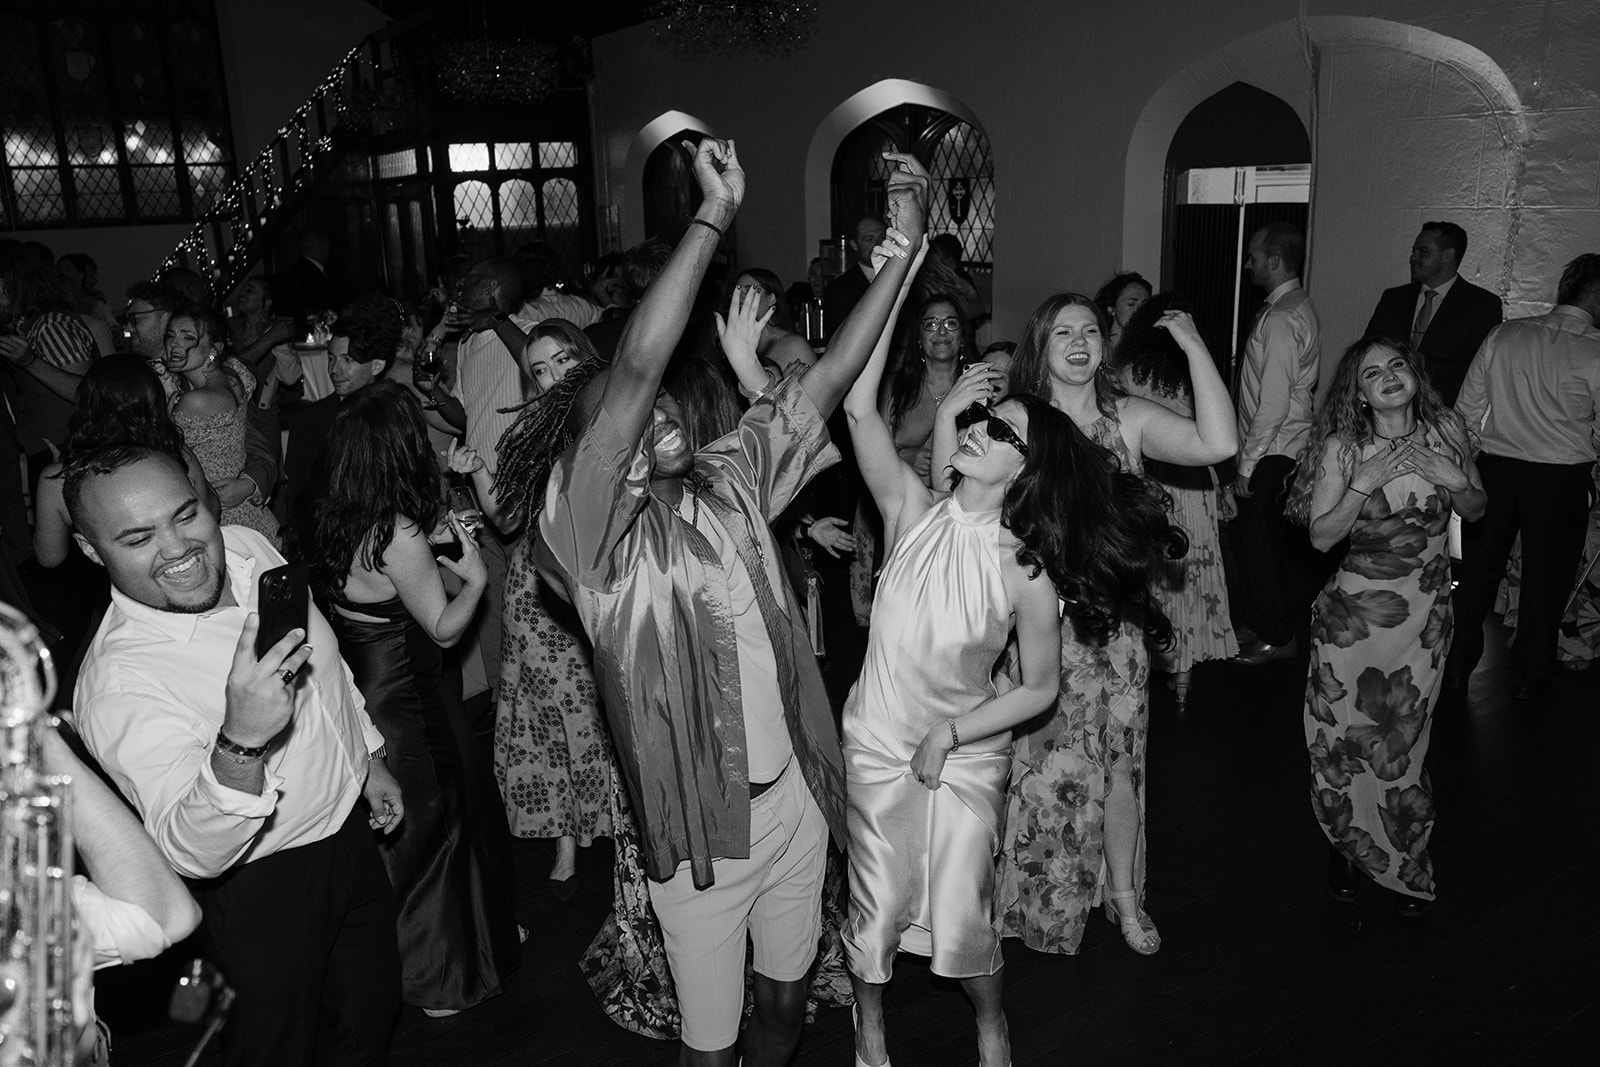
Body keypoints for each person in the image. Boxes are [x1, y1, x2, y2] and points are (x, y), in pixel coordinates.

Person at [535, 139, 927, 1066]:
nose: (658, 414)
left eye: (667, 406)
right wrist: (713, 213)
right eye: (633, 416)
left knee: (786, 1009)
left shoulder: (731, 475)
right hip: (705, 838)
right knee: (710, 1050)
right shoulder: (589, 546)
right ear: (595, 455)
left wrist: (904, 252)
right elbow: (634, 369)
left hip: (795, 800)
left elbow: (826, 378)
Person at [839, 234, 1168, 1067]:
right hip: (877, 739)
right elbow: (857, 408)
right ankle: (869, 1026)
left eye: (1000, 430)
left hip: (963, 750)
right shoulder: (908, 509)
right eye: (985, 420)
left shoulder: (1026, 568)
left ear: (1024, 469)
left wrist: (951, 733)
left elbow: (1040, 688)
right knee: (873, 905)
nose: (978, 428)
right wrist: (897, 278)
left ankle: (991, 1023)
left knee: (961, 914)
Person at [66, 442, 403, 1066]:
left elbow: (323, 668)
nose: (179, 548)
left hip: (351, 838)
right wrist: (241, 741)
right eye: (138, 538)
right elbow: (187, 850)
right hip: (260, 890)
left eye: (185, 515)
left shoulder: (246, 550)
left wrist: (367, 755)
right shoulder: (119, 684)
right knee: (272, 1050)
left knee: (368, 1020)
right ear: (91, 550)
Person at [992, 290, 1236, 958]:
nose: (1079, 342)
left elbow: (1220, 442)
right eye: (1063, 332)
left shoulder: (1125, 418)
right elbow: (966, 505)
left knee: (1120, 768)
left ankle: (1126, 900)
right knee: (1035, 764)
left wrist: (1193, 346)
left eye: (1091, 331)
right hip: (1036, 621)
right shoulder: (1016, 420)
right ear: (1040, 345)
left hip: (1114, 628)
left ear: (1105, 346)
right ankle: (1030, 899)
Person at [285, 380, 520, 1015]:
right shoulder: (395, 531)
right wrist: (475, 579)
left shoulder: (326, 510)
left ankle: (471, 938)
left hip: (362, 687)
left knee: (414, 828)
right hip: (407, 698)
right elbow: (442, 628)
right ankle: (439, 978)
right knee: (435, 829)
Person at [1287, 338, 1484, 917]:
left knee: (1403, 743)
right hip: (1353, 621)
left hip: (1424, 618)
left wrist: (1456, 478)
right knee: (1341, 742)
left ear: (1414, 375)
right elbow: (1321, 537)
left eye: (1397, 365)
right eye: (1372, 373)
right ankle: (1347, 847)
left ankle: (1405, 857)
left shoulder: (1446, 430)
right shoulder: (1344, 448)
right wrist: (1362, 482)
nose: (1389, 376)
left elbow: (1476, 508)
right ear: (1360, 394)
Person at [447, 320, 613, 900]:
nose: (552, 377)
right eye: (539, 370)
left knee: (605, 707)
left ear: (585, 357)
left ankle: (619, 821)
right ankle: (565, 837)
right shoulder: (534, 432)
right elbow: (507, 518)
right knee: (547, 713)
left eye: (562, 361)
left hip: (605, 580)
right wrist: (477, 471)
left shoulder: (619, 416)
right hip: (538, 588)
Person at [1450, 253, 1600, 700]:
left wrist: (1468, 468)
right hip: (1559, 480)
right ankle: (1530, 676)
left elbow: (1465, 412)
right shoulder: (1595, 350)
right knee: (1546, 582)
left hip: (1495, 471)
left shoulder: (1505, 334)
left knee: (1475, 577)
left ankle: (1455, 669)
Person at [1113, 294, 1240, 706]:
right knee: (1192, 578)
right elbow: (1216, 433)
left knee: (1154, 580)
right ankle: (1184, 674)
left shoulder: (1124, 373)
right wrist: (1225, 487)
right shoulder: (1193, 371)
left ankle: (1150, 661)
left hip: (1148, 484)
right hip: (1194, 483)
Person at [1231, 221, 1321, 665]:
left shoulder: (1284, 317)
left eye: (1252, 256)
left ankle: (1278, 636)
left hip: (1273, 449)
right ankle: (1258, 619)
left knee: (1262, 547)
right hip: (1277, 446)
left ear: (1274, 260)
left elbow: (1273, 402)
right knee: (1256, 544)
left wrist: (1247, 464)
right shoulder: (1291, 305)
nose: (1247, 264)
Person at [280, 298, 403, 524]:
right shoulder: (308, 422)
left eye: (347, 360)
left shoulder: (397, 415)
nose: (334, 369)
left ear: (376, 365)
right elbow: (297, 503)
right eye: (331, 358)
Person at [164, 304, 278, 537]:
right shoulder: (235, 374)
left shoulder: (194, 402)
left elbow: (167, 457)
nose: (175, 344)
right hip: (244, 513)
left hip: (218, 516)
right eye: (170, 336)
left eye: (188, 338)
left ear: (214, 348)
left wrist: (164, 416)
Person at [1364, 221, 1503, 406]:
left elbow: (1480, 370)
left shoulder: (1482, 305)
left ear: (1448, 255)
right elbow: (1367, 349)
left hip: (1443, 408)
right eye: (1413, 251)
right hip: (1388, 405)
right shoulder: (1394, 298)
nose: (1413, 258)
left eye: (1423, 252)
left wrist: (1424, 364)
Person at [882, 292, 977, 485]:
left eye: (951, 323)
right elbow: (872, 448)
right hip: (902, 493)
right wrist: (904, 455)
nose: (941, 331)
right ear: (918, 337)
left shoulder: (976, 386)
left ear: (963, 336)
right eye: (931, 324)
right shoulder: (894, 387)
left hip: (960, 495)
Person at [732, 267, 818, 375]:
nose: (741, 297)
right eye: (738, 291)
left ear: (771, 299)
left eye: (750, 291)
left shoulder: (795, 346)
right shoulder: (734, 344)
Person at [824, 213, 887, 333]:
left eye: (882, 238)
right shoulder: (839, 290)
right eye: (869, 239)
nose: (878, 245)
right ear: (854, 245)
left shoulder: (904, 278)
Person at [1095, 271, 1152, 351]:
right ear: (1111, 309)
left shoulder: (1151, 346)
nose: (1140, 310)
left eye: (1145, 305)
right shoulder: (1097, 346)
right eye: (1131, 304)